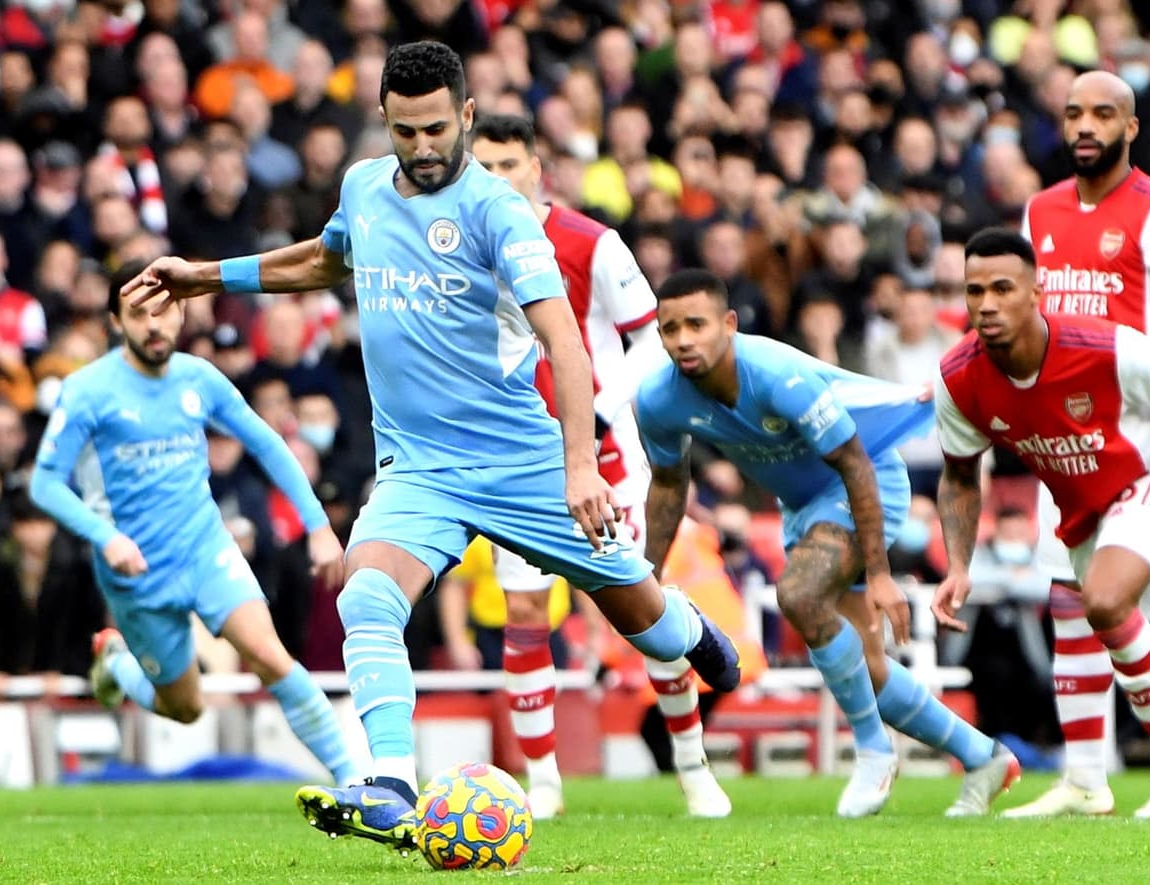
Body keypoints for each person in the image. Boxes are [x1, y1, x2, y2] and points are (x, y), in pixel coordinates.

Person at [122, 42, 740, 851]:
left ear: (467, 116)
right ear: (383, 118)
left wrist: (580, 465)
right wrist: (206, 277)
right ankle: (390, 784)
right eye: (406, 131)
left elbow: (564, 340)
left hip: (521, 462)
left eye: (438, 130)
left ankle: (690, 629)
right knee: (365, 595)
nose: (422, 147)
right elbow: (323, 259)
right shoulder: (363, 188)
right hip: (419, 468)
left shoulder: (498, 211)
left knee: (643, 618)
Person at [636, 268, 1019, 818]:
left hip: (865, 483)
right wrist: (646, 577)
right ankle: (983, 757)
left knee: (799, 594)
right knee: (868, 668)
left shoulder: (776, 376)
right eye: (670, 329)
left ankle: (873, 752)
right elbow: (670, 486)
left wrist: (880, 575)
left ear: (729, 324)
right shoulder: (658, 400)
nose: (683, 340)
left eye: (697, 324)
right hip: (804, 507)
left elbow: (855, 463)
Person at [469, 113, 731, 820]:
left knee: (643, 608)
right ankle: (543, 783)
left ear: (536, 170)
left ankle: (692, 767)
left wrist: (604, 408)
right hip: (518, 464)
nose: (495, 179)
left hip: (608, 459)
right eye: (482, 167)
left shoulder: (591, 242)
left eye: (508, 165)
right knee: (525, 610)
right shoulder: (458, 250)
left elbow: (650, 337)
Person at [932, 227, 1150, 821]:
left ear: (1037, 292)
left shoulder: (1106, 347)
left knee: (1105, 601)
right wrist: (959, 565)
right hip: (1085, 504)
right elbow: (960, 476)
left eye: (1002, 288)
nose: (987, 304)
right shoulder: (958, 377)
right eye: (974, 291)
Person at [29, 260, 359, 789]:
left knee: (270, 657)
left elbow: (266, 443)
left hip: (205, 549)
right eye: (138, 314)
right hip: (136, 573)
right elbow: (45, 484)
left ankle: (358, 783)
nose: (153, 325)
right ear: (116, 321)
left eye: (164, 311)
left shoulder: (199, 379)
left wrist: (318, 527)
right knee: (185, 708)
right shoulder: (89, 390)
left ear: (182, 314)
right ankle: (117, 664)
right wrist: (106, 538)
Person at [1012, 70, 1150, 819]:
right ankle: (1085, 779)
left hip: (1143, 447)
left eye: (1103, 114)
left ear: (1130, 127)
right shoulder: (1039, 211)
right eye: (1074, 114)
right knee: (1071, 603)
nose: (1085, 126)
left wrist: (1124, 396)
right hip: (1062, 446)